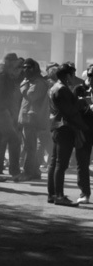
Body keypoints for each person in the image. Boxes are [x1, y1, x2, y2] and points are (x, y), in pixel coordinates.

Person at [47, 62, 91, 207]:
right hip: (64, 128)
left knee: (55, 163)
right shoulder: (62, 89)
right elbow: (70, 111)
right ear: (67, 75)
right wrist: (81, 103)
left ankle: (53, 194)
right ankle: (58, 195)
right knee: (61, 163)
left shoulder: (56, 87)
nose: (74, 77)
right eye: (72, 74)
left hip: (58, 126)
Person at [0, 52, 24, 181]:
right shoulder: (0, 74)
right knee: (14, 139)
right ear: (9, 62)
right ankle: (15, 171)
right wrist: (4, 110)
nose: (15, 66)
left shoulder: (1, 73)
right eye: (14, 63)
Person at [18, 58, 49, 182]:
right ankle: (35, 171)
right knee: (30, 146)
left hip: (33, 119)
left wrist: (23, 84)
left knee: (29, 147)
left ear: (35, 69)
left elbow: (31, 96)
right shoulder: (31, 82)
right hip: (28, 119)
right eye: (24, 67)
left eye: (28, 67)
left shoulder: (39, 82)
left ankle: (28, 172)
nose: (25, 70)